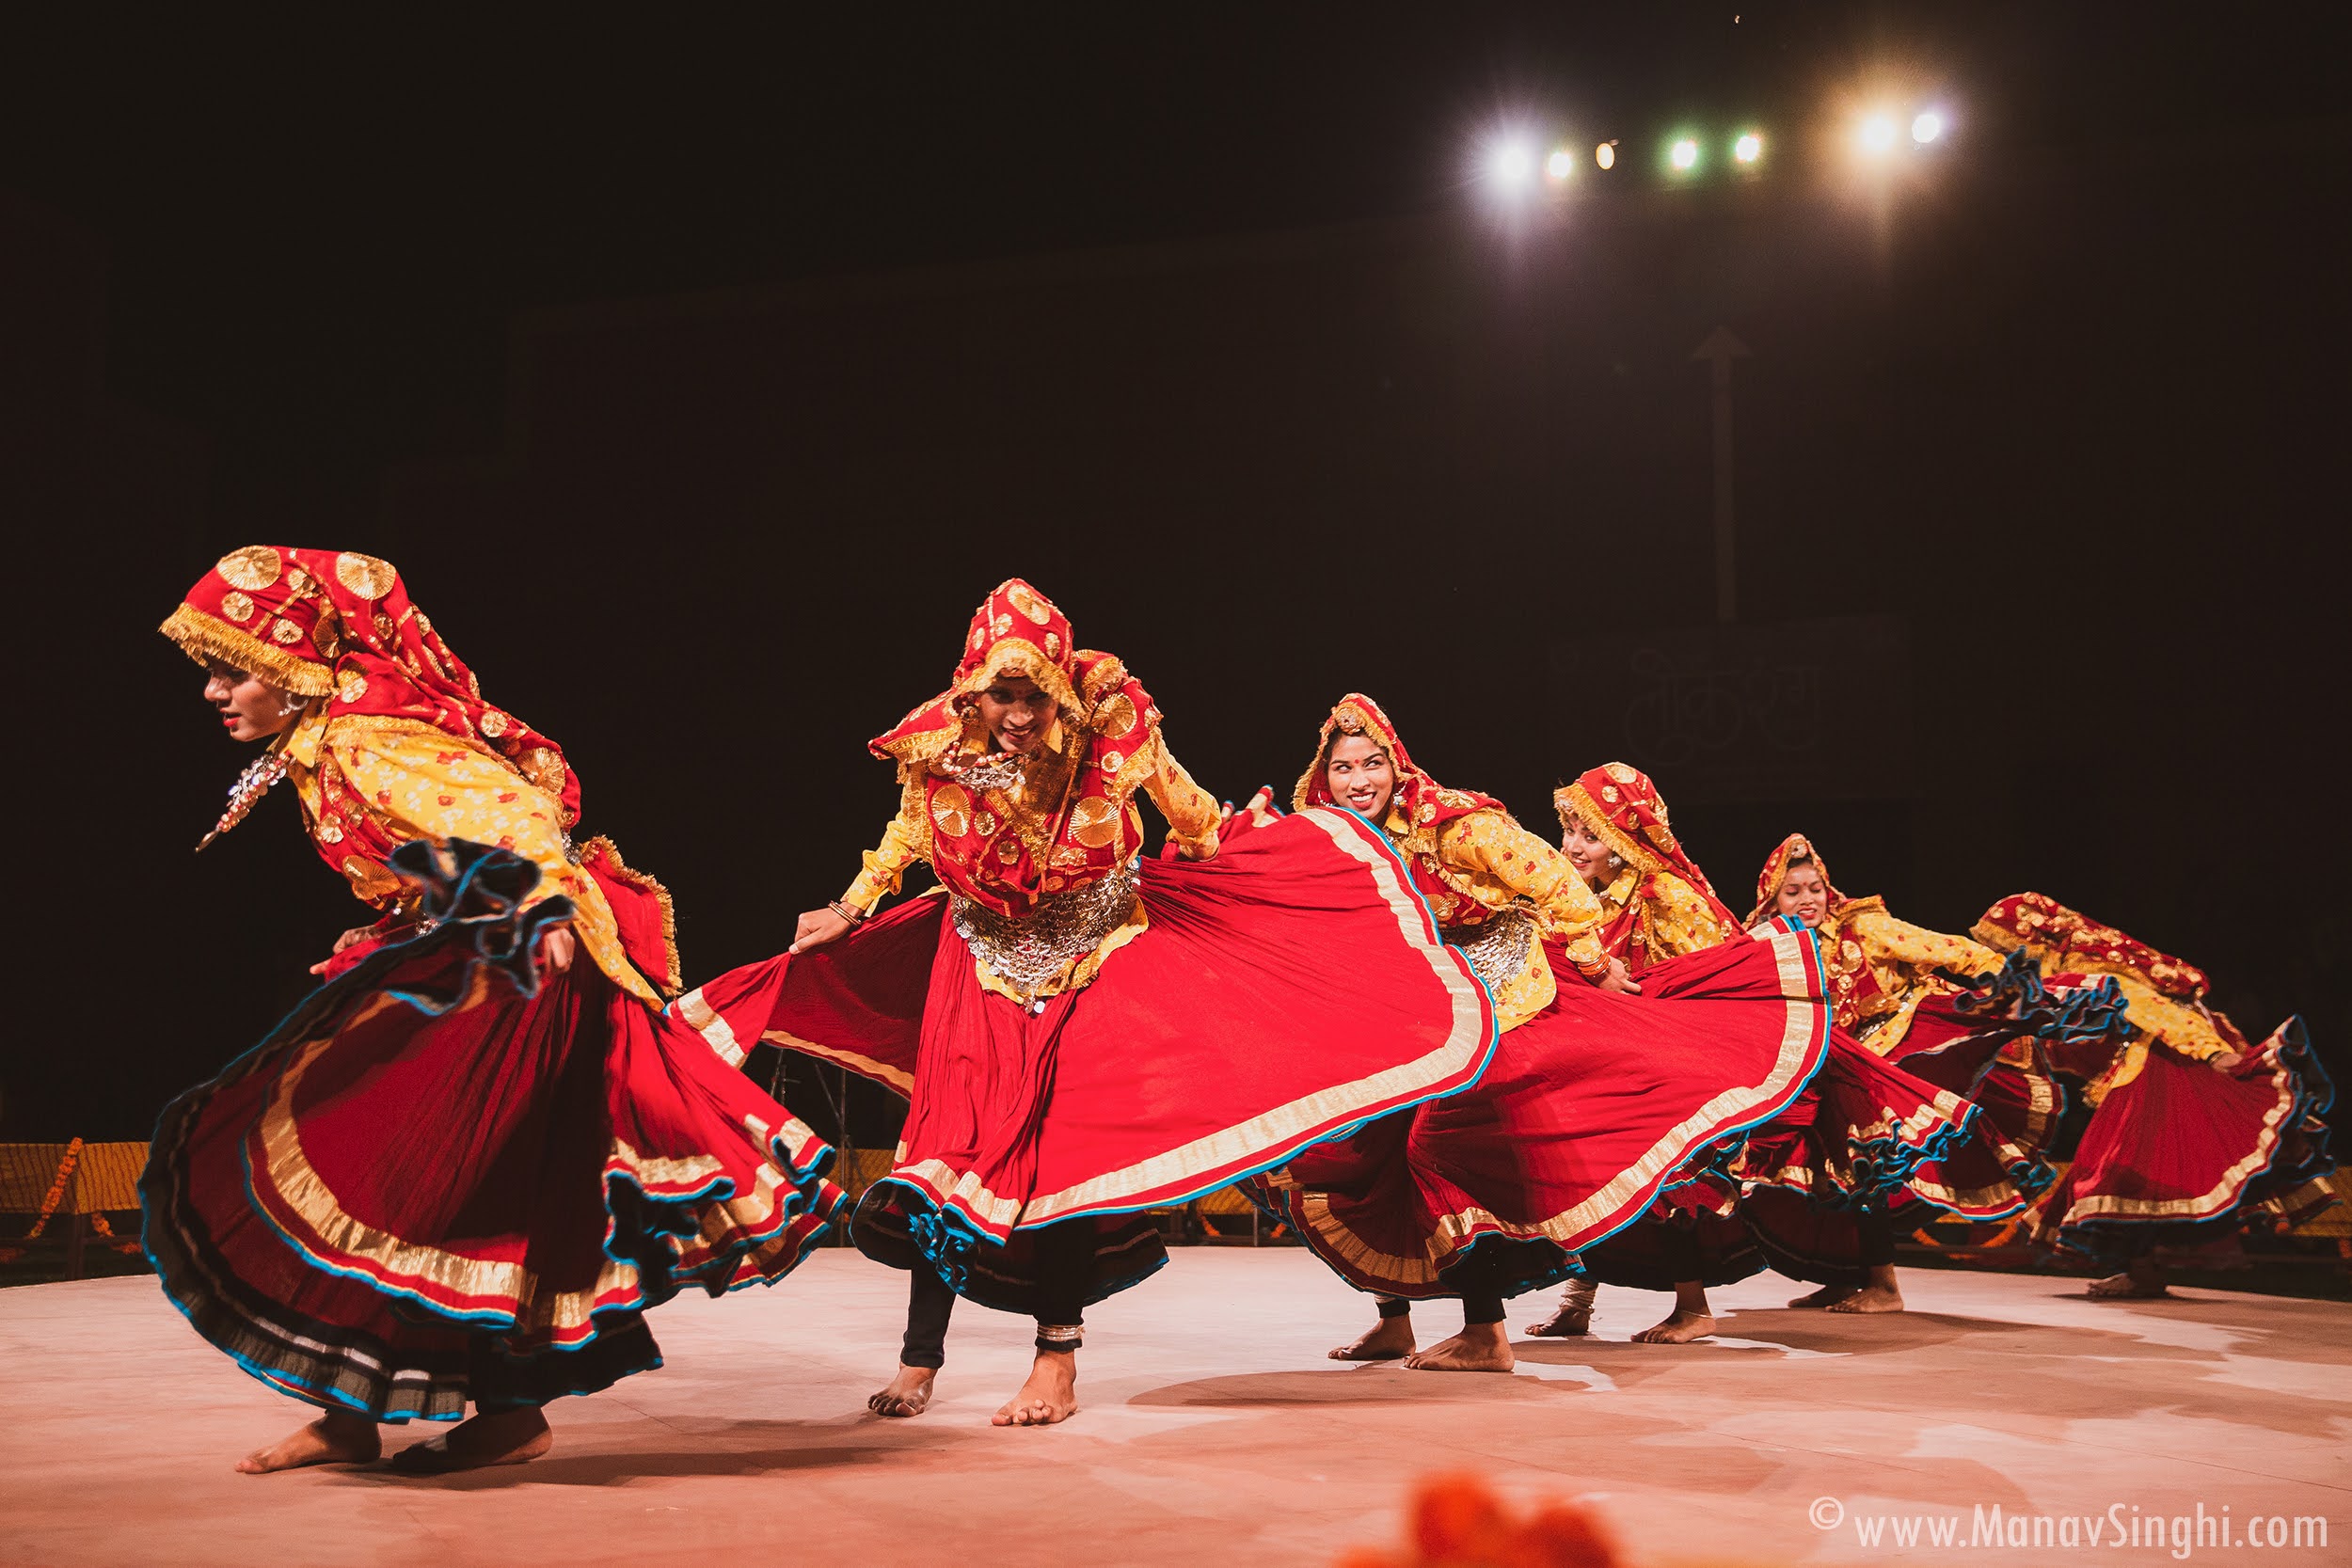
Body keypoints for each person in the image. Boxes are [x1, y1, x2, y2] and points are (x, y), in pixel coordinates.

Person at [670, 587, 1500, 1421]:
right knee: (946, 1145)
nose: (1020, 714)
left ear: (1060, 687)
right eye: (1004, 695)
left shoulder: (1112, 728)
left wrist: (1249, 850)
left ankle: (1055, 1360)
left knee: (1062, 1154)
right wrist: (851, 906)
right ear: (974, 692)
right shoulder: (940, 743)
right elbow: (908, 834)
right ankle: (919, 1360)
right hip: (978, 960)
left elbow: (1190, 812)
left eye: (1035, 695)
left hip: (1096, 951)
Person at [144, 546, 843, 1475]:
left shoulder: (364, 736)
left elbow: (511, 816)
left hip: (524, 967)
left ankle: (500, 1414)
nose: (214, 693)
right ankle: (357, 1413)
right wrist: (389, 926)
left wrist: (545, 903)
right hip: (481, 952)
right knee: (404, 1186)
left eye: (229, 671)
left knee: (434, 1186)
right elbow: (434, 849)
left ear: (290, 668)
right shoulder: (325, 741)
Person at [1252, 713, 1836, 1361]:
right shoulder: (1332, 842)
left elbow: (1562, 889)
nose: (1359, 779)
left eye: (1371, 763)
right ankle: (1396, 1320)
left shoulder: (1456, 825)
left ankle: (1487, 1332)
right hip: (1412, 1009)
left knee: (1440, 1143)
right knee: (1351, 1144)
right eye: (1343, 766)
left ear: (1398, 765)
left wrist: (1592, 964)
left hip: (1508, 999)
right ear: (1323, 777)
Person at [1972, 894, 2335, 1299]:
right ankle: (2143, 1271)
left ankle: (2143, 1270)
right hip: (2152, 1063)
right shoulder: (2061, 979)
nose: (2004, 957)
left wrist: (2213, 1052)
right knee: (2134, 1170)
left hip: (2165, 1065)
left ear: (2035, 941)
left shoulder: (2091, 971)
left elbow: (2155, 1011)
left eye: (2005, 946)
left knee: (2122, 1169)